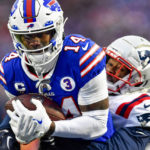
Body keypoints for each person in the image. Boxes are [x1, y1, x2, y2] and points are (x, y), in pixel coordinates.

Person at [0, 0, 114, 149]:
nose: (35, 43)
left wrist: (50, 127)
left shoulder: (82, 57)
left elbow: (98, 126)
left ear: (58, 28)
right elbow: (23, 111)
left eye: (42, 35)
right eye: (26, 38)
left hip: (94, 143)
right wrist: (13, 131)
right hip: (52, 141)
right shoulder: (10, 70)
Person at [105, 35, 150, 150]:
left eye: (120, 69)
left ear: (137, 79)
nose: (109, 70)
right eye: (110, 63)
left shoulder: (140, 107)